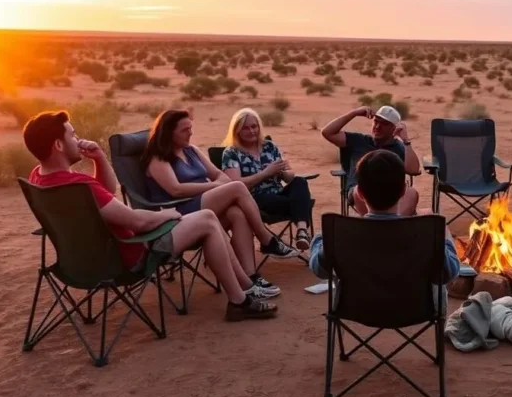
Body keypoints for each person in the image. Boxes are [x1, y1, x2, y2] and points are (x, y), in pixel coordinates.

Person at [22, 110, 277, 321]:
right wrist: (168, 214)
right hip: (128, 255)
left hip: (81, 263)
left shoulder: (40, 178)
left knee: (212, 217)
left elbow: (106, 191)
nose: (78, 139)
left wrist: (99, 157)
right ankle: (240, 300)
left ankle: (245, 288)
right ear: (58, 144)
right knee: (209, 219)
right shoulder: (79, 186)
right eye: (72, 135)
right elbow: (137, 221)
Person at [141, 110, 298, 297]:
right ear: (169, 132)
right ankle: (266, 240)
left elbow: (220, 176)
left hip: (203, 204)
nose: (190, 133)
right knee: (238, 187)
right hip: (180, 212)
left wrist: (215, 185)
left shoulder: (191, 151)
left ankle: (250, 277)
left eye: (190, 128)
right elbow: (175, 189)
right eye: (185, 130)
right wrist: (213, 186)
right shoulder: (158, 158)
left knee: (237, 214)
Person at [308, 149, 460, 305]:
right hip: (415, 310)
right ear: (403, 190)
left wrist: (321, 237)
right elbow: (448, 273)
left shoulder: (340, 232)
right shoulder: (427, 231)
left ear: (359, 193)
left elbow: (320, 269)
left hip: (357, 309)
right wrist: (444, 235)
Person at [220, 108, 314, 251]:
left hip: (278, 193)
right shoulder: (231, 153)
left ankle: (302, 232)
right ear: (237, 130)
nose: (251, 131)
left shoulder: (270, 146)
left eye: (254, 126)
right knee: (301, 202)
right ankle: (298, 215)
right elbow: (235, 184)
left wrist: (283, 172)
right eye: (245, 128)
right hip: (254, 199)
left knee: (300, 182)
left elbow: (289, 177)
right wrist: (266, 173)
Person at [320, 104, 420, 216]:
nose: (377, 126)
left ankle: (391, 225)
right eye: (376, 121)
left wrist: (406, 140)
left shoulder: (400, 148)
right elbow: (327, 132)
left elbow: (413, 170)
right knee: (360, 190)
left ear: (394, 128)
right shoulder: (358, 141)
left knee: (411, 193)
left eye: (384, 124)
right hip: (360, 191)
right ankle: (381, 225)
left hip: (390, 193)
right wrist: (354, 113)